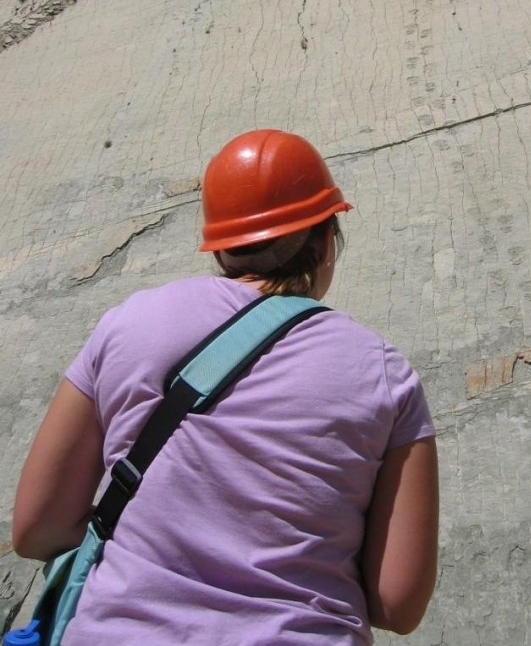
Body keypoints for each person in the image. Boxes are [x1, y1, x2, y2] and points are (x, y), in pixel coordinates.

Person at [12, 129, 439, 644]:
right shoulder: (385, 373)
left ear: (219, 251)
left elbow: (36, 530)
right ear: (327, 240)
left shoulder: (128, 323)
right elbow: (397, 603)